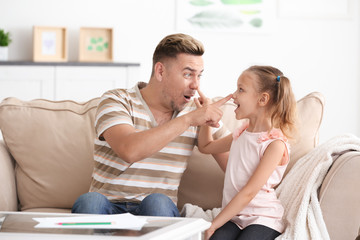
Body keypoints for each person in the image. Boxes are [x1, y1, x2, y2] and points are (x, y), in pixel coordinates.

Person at [71, 33, 232, 217]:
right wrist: (188, 120)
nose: (196, 85)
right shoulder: (117, 100)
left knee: (157, 202)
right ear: (160, 71)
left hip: (156, 211)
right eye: (188, 74)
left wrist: (261, 133)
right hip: (107, 206)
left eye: (199, 76)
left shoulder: (197, 112)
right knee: (90, 201)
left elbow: (237, 166)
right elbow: (129, 150)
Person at [195, 65, 297, 240]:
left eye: (241, 89)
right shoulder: (241, 133)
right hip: (235, 218)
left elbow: (249, 192)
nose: (234, 95)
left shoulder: (275, 144)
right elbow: (206, 147)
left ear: (262, 99)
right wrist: (207, 118)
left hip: (262, 218)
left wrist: (215, 224)